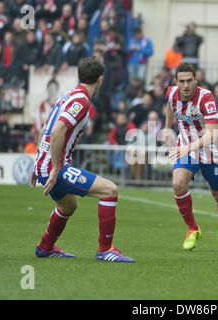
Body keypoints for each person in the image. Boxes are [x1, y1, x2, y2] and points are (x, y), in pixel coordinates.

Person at [30, 56, 134, 263]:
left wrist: (38, 162)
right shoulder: (82, 101)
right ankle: (105, 250)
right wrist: (55, 168)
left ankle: (45, 246)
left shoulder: (67, 95)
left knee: (68, 207)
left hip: (44, 162)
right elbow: (58, 130)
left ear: (79, 76)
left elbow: (45, 128)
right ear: (101, 80)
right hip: (53, 167)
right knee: (110, 191)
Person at [163, 62, 218, 250]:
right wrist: (168, 127)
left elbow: (212, 135)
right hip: (187, 148)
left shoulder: (206, 98)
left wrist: (188, 148)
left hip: (212, 152)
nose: (185, 85)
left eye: (189, 81)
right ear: (176, 81)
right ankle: (193, 229)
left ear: (196, 79)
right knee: (177, 183)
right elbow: (170, 105)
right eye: (181, 81)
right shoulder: (170, 93)